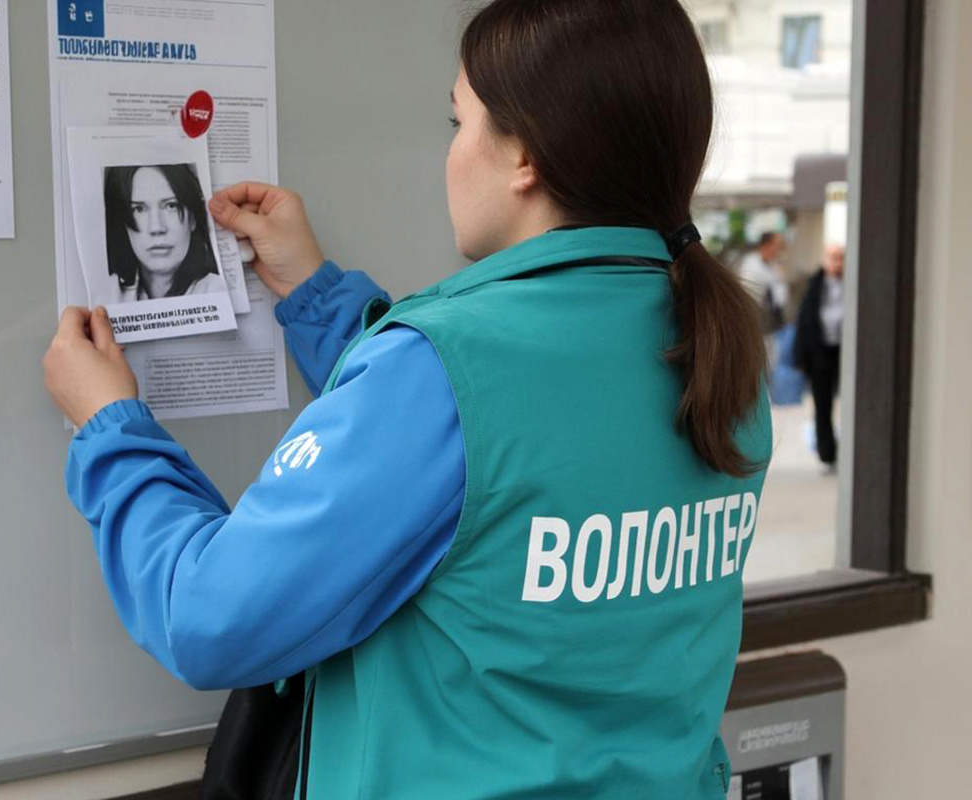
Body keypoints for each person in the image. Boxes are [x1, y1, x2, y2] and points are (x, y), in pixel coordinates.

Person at [43, 1, 772, 796]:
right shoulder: (717, 352)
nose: (451, 152)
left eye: (457, 121)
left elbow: (207, 617)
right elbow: (479, 466)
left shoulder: (446, 373)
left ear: (523, 152)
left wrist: (110, 428)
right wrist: (318, 297)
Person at [103, 163, 226, 300]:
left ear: (193, 218)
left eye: (171, 206)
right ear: (124, 222)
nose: (156, 228)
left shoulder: (217, 290)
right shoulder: (108, 295)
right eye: (138, 209)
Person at [793, 243, 846, 471]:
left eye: (840, 257)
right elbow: (804, 321)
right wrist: (801, 357)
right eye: (833, 257)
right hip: (820, 353)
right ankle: (827, 454)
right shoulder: (815, 284)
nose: (837, 262)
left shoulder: (853, 282)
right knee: (822, 405)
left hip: (844, 351)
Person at [739, 231, 789, 333]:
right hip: (754, 321)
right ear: (767, 245)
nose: (780, 250)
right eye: (778, 245)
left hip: (771, 323)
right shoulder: (751, 265)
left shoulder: (774, 267)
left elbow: (781, 298)